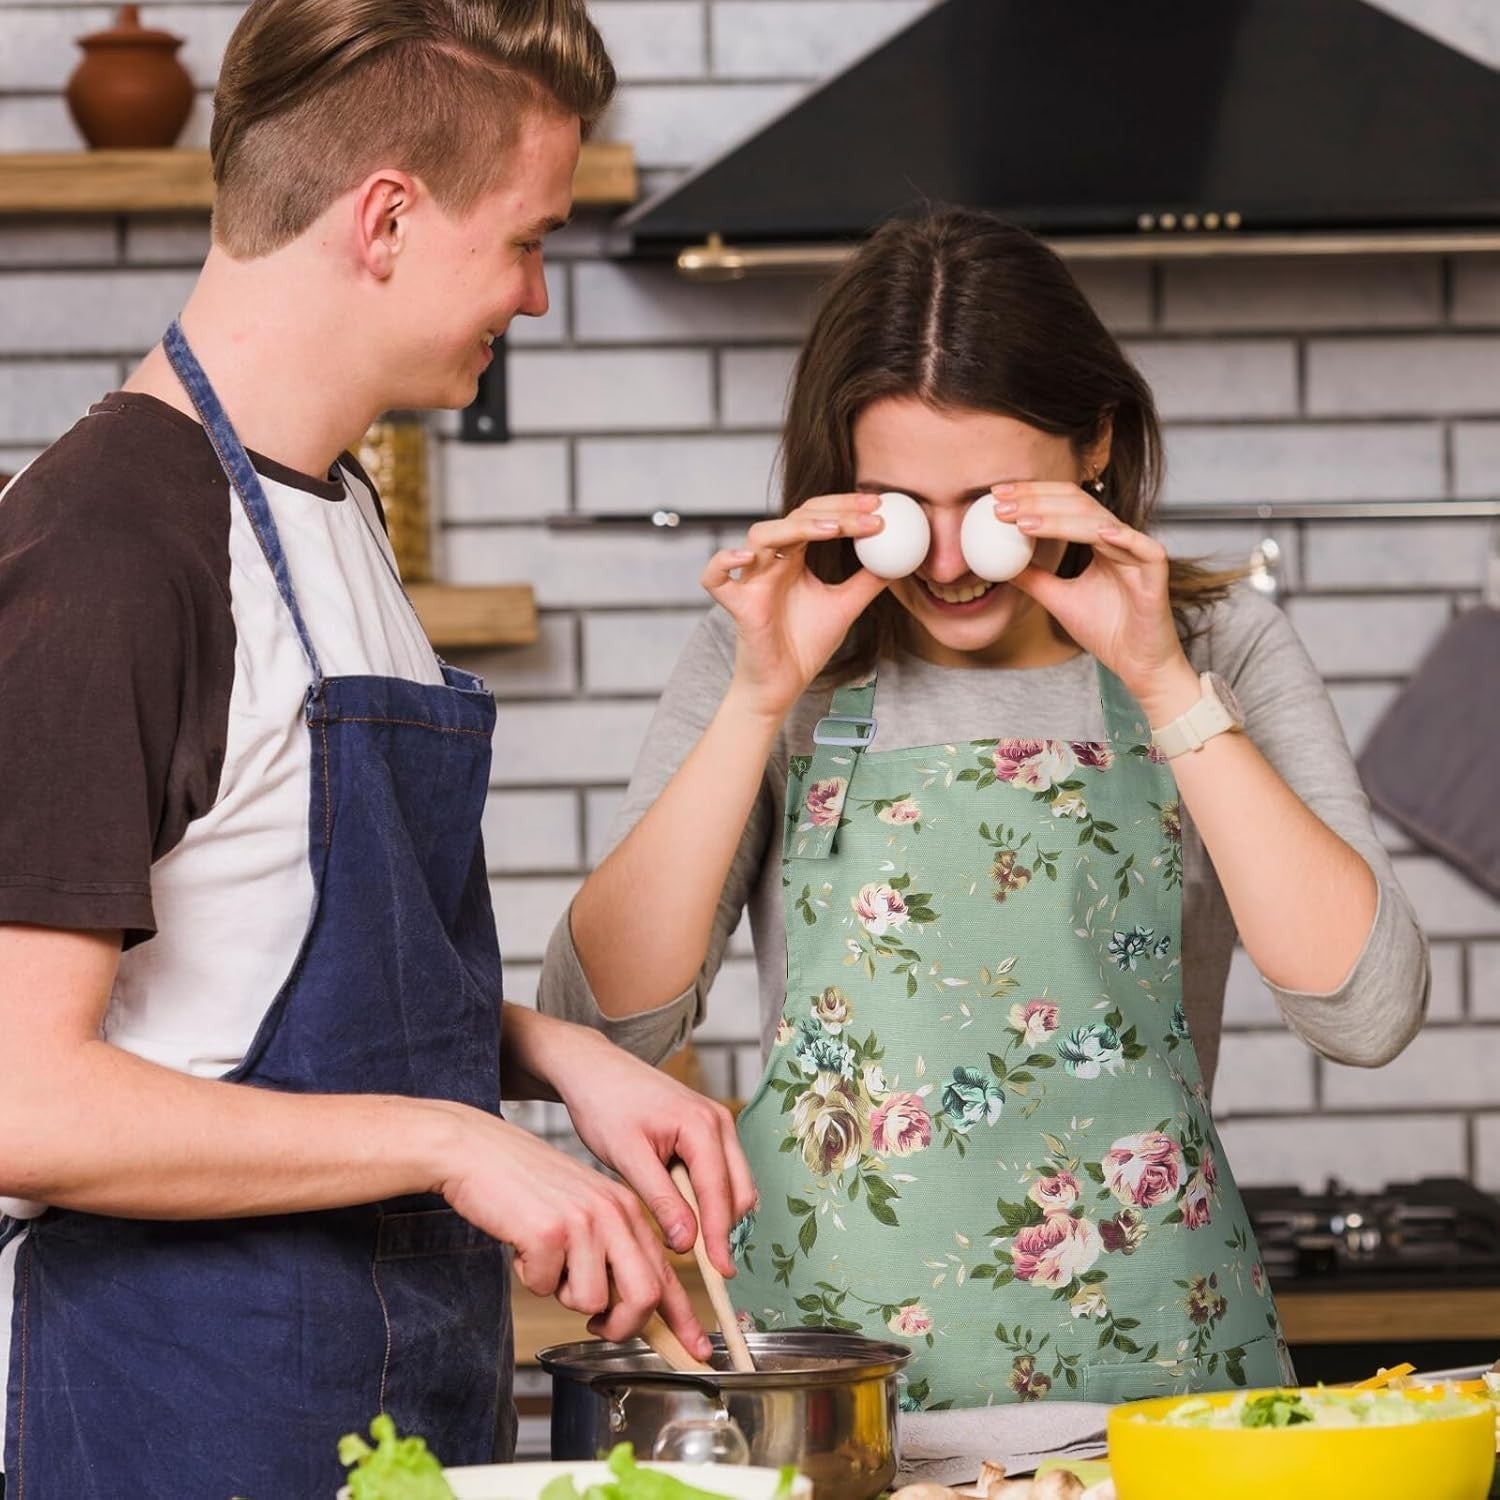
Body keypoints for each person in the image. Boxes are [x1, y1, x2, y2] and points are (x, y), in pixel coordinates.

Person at [0, 2, 752, 1494]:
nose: (536, 297)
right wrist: (460, 1145)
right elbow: (25, 1100)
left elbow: (263, 963)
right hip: (184, 1404)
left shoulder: (331, 510)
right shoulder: (113, 544)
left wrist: (563, 1065)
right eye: (527, 239)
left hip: (404, 1379)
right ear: (389, 218)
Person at [540, 209, 1429, 1412]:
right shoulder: (770, 655)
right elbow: (599, 1025)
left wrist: (1164, 683)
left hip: (1155, 1384)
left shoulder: (1215, 646)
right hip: (831, 1389)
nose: (948, 559)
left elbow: (1368, 1015)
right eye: (901, 502)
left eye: (994, 501)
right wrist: (758, 700)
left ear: (1097, 444)